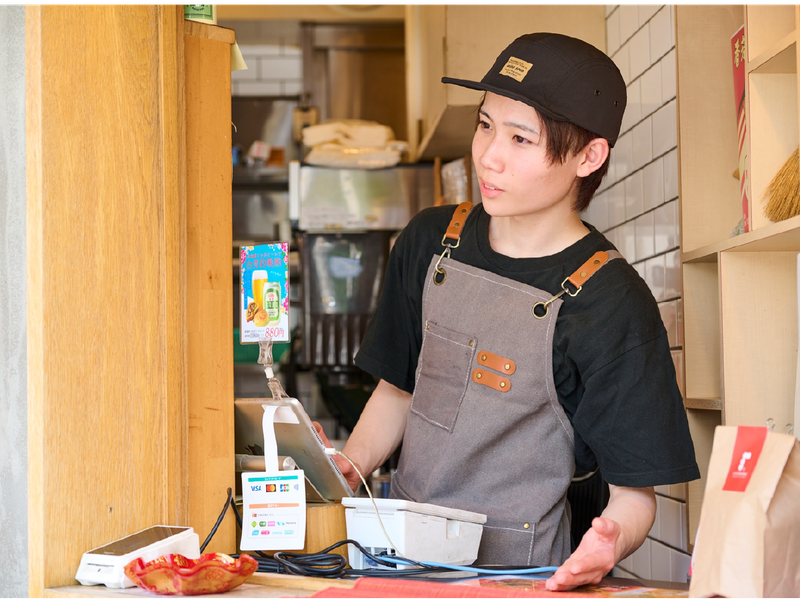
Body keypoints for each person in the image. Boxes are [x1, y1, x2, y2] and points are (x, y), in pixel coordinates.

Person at [318, 32, 700, 591]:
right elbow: (399, 392)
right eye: (485, 124)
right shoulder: (431, 241)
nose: (489, 155)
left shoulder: (611, 302)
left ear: (589, 156)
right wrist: (349, 467)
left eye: (521, 139)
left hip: (520, 580)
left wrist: (609, 541)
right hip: (394, 566)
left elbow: (635, 494)